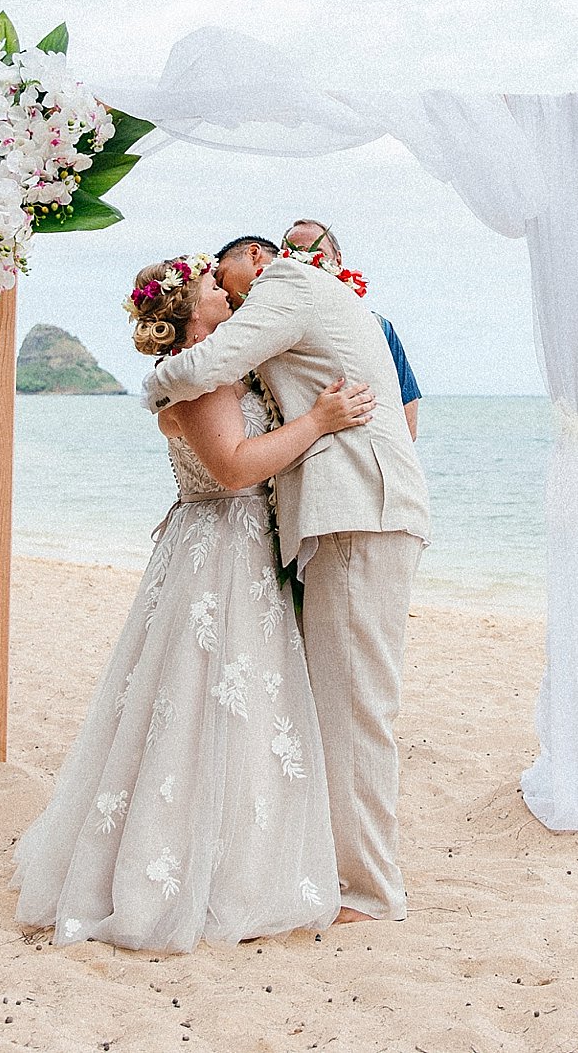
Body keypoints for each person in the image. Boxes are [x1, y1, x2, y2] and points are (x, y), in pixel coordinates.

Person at [14, 253, 376, 950]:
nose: (226, 288)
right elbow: (235, 466)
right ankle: (207, 870)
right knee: (209, 703)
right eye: (214, 284)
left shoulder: (216, 367)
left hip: (220, 546)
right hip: (222, 548)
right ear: (186, 311)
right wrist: (320, 421)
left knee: (225, 707)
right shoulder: (200, 377)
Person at [149, 234, 431, 924]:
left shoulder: (289, 285)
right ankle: (339, 874)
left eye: (232, 266)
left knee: (357, 704)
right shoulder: (301, 312)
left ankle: (367, 890)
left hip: (360, 507)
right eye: (214, 278)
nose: (227, 279)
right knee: (336, 701)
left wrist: (153, 383)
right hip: (343, 512)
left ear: (261, 261)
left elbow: (210, 363)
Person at [282, 219, 422, 440]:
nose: (308, 263)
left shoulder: (379, 327)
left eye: (316, 252)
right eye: (296, 255)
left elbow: (407, 426)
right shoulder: (277, 329)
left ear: (337, 260)